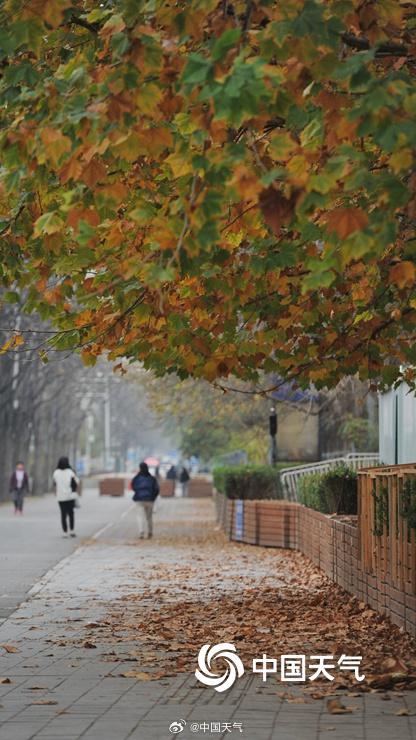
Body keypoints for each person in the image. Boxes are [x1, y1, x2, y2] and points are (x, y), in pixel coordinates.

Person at [52, 457, 79, 538]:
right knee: (71, 513)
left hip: (60, 497)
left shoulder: (56, 472)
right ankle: (72, 531)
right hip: (70, 496)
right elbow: (76, 482)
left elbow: (54, 483)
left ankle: (65, 532)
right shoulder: (70, 472)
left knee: (63, 514)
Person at [131, 462, 159, 539]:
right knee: (149, 517)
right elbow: (156, 489)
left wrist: (138, 492)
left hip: (139, 500)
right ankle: (150, 532)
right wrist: (153, 497)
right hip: (150, 500)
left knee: (139, 516)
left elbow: (133, 486)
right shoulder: (152, 478)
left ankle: (141, 532)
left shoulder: (137, 478)